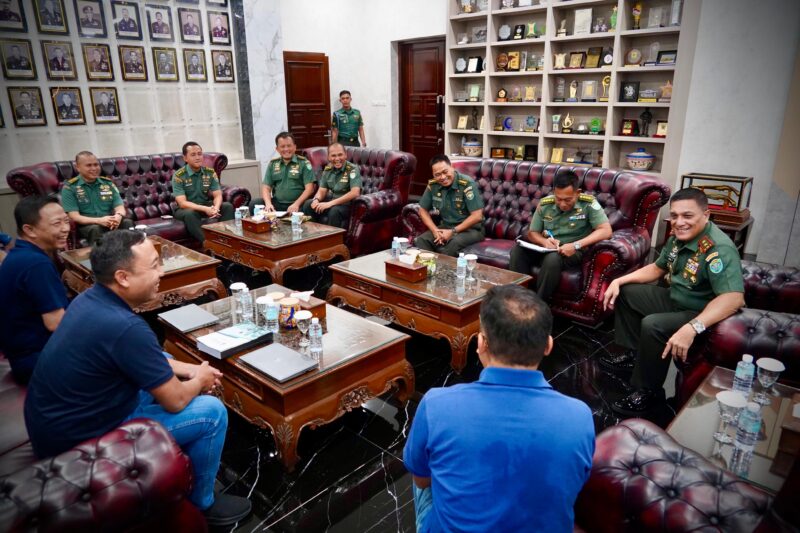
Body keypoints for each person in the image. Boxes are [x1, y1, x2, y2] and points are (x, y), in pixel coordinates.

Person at [24, 230, 252, 527]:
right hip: (78, 439)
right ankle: (204, 503)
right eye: (155, 265)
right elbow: (175, 401)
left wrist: (191, 369)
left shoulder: (90, 299)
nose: (162, 272)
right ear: (123, 277)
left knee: (168, 360)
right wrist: (201, 379)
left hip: (56, 421)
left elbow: (150, 359)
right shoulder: (126, 327)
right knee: (212, 412)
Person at [404, 284, 594, 532]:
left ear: (481, 343)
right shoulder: (580, 416)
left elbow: (421, 480)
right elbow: (574, 484)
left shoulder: (436, 404)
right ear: (548, 345)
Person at [601, 187, 745, 416]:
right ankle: (633, 354)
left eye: (687, 216)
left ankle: (647, 391)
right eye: (675, 215)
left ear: (706, 215)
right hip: (676, 298)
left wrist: (693, 327)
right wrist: (619, 281)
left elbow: (734, 298)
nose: (679, 222)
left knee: (653, 324)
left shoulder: (718, 249)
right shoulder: (678, 237)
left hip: (700, 311)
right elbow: (658, 268)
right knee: (626, 292)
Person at [508, 171, 612, 301]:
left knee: (552, 259)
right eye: (558, 199)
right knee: (518, 251)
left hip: (573, 250)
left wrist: (576, 245)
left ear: (578, 193)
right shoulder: (545, 204)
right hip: (547, 247)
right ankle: (517, 300)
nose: (562, 204)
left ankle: (537, 305)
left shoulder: (589, 204)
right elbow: (532, 232)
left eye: (568, 200)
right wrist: (544, 242)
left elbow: (606, 231)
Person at [0, 196, 70, 384]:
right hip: (39, 361)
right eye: (57, 224)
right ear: (29, 230)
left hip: (24, 356)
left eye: (66, 221)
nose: (65, 229)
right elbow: (56, 324)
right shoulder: (36, 264)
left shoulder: (19, 255)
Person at [415, 154, 484, 257]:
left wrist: (452, 231)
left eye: (445, 172)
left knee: (452, 244)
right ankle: (430, 269)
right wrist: (435, 230)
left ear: (452, 167)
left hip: (471, 230)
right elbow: (422, 210)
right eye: (437, 174)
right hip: (446, 226)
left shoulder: (466, 183)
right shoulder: (433, 185)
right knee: (421, 240)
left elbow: (477, 216)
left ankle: (443, 272)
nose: (442, 177)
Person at [61, 151, 133, 245]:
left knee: (127, 222)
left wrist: (118, 216)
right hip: (88, 225)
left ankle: (131, 254)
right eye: (89, 165)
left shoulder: (108, 183)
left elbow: (120, 207)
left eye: (96, 165)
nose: (94, 168)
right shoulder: (70, 188)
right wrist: (99, 221)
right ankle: (102, 257)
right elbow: (74, 216)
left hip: (108, 221)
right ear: (78, 167)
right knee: (96, 229)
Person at [172, 141, 234, 244]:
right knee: (190, 214)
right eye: (193, 155)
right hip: (185, 209)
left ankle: (226, 240)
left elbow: (217, 194)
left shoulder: (210, 172)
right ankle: (209, 243)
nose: (197, 157)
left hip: (204, 204)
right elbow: (182, 203)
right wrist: (206, 209)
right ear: (185, 158)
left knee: (227, 206)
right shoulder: (179, 175)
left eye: (199, 154)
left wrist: (216, 208)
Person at [248, 132, 315, 213]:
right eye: (282, 146)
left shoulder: (304, 163)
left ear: (295, 147)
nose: (286, 149)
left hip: (299, 204)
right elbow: (266, 187)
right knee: (254, 203)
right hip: (277, 204)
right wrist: (268, 204)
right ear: (277, 149)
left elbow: (310, 189)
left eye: (289, 146)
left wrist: (296, 204)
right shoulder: (273, 164)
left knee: (309, 205)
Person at [302, 142, 361, 229]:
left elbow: (355, 193)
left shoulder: (352, 169)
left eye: (340, 155)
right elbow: (322, 190)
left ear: (345, 155)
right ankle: (313, 234)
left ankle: (332, 240)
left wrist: (330, 204)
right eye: (333, 156)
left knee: (334, 211)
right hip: (332, 203)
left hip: (347, 206)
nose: (337, 158)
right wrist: (316, 199)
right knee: (308, 204)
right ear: (328, 157)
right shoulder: (328, 169)